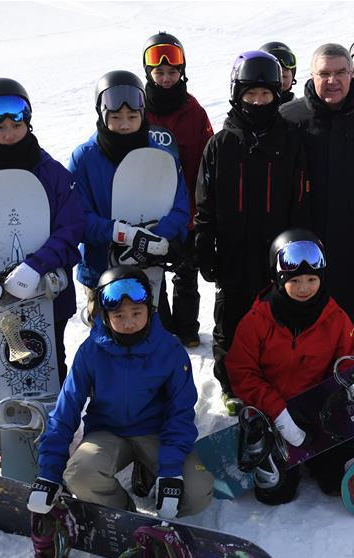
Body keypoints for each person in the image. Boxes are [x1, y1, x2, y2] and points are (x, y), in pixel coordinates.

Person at [0, 78, 84, 466]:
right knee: (9, 361)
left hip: (46, 294)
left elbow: (72, 228)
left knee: (50, 356)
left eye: (16, 125)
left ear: (28, 122)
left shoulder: (51, 172)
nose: (8, 134)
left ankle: (58, 425)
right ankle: (1, 435)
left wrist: (39, 265)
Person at [27, 267, 214, 518]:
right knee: (80, 476)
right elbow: (66, 409)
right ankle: (123, 515)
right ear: (105, 316)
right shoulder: (91, 351)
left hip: (155, 431)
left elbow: (180, 411)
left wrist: (170, 471)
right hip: (108, 432)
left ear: (150, 308)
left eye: (137, 312)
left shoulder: (169, 350)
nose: (129, 323)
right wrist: (49, 472)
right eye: (118, 315)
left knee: (198, 492)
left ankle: (151, 473)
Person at [194, 51, 311, 414]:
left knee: (275, 323)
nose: (258, 102)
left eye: (265, 95)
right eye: (250, 95)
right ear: (237, 94)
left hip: (277, 257)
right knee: (232, 324)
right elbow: (205, 200)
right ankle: (231, 385)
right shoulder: (222, 144)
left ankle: (270, 383)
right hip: (232, 252)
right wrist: (204, 243)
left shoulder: (291, 140)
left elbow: (300, 198)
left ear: (277, 96)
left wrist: (297, 248)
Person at [225, 229, 354, 505]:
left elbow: (344, 368)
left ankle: (328, 454)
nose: (304, 288)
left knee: (332, 482)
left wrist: (332, 407)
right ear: (279, 280)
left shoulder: (336, 320)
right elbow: (242, 372)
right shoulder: (257, 320)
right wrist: (278, 412)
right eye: (295, 281)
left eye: (311, 279)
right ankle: (270, 450)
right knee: (276, 494)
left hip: (316, 411)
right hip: (271, 413)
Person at [68, 70, 190, 330]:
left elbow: (181, 206)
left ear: (143, 114)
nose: (124, 124)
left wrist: (155, 236)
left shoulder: (160, 156)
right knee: (107, 339)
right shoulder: (85, 158)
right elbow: (76, 216)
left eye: (132, 117)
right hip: (101, 267)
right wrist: (120, 233)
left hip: (149, 265)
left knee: (149, 335)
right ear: (102, 115)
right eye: (115, 117)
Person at [280, 43, 354, 329]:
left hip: (352, 238)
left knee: (347, 315)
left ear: (352, 74)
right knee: (301, 311)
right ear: (311, 75)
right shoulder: (289, 117)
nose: (332, 81)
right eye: (324, 73)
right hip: (302, 234)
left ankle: (346, 363)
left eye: (341, 72)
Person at [142, 32, 214, 347]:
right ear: (149, 72)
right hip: (147, 208)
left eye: (173, 71)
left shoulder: (194, 111)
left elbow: (205, 162)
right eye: (160, 72)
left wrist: (202, 210)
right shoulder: (137, 108)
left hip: (185, 210)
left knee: (186, 273)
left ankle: (186, 328)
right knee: (152, 273)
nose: (167, 77)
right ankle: (162, 325)